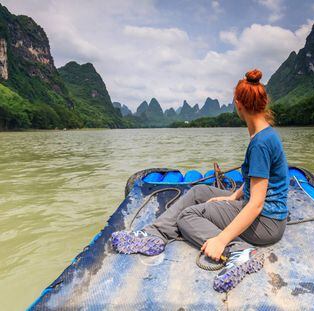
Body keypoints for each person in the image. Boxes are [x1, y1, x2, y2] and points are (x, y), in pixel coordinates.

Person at [111, 69, 289, 292]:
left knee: (188, 217)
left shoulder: (261, 143)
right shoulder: (264, 134)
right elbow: (257, 178)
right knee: (199, 192)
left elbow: (256, 204)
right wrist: (233, 196)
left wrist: (221, 240)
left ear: (238, 104)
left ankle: (239, 252)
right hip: (265, 214)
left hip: (266, 222)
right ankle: (156, 233)